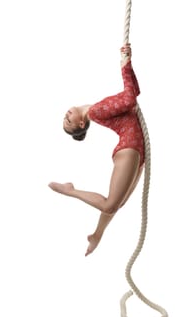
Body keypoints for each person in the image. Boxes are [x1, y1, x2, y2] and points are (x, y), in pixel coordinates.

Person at [49, 44, 145, 256]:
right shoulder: (96, 111)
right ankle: (70, 190)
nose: (66, 115)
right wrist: (124, 64)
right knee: (110, 205)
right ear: (81, 124)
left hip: (135, 149)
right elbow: (129, 98)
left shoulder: (95, 109)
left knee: (114, 205)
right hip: (129, 148)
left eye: (65, 118)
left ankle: (97, 234)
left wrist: (129, 63)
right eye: (68, 121)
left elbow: (133, 94)